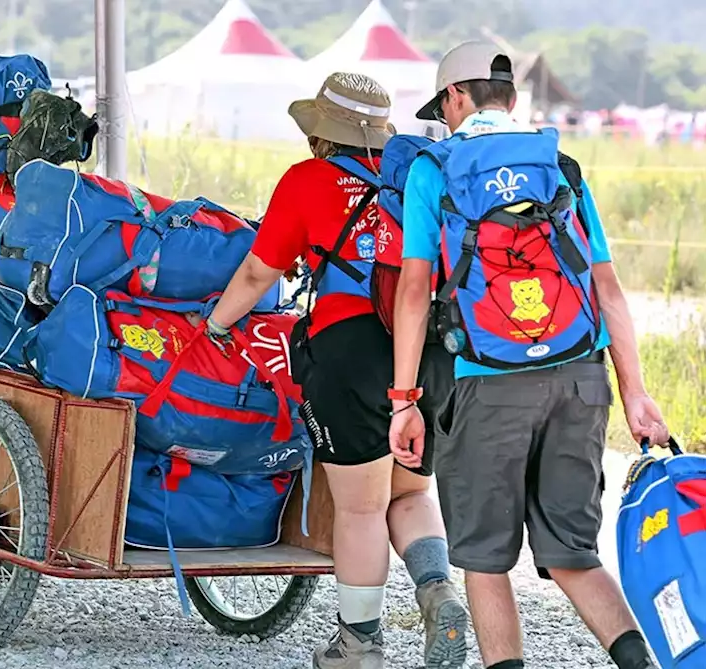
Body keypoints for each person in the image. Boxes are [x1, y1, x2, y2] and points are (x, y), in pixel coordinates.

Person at [389, 41, 668, 669]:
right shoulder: (560, 166)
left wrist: (404, 400)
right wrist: (636, 393)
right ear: (510, 98)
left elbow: (413, 290)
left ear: (456, 96)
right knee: (573, 553)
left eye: (445, 104)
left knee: (484, 561)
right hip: (579, 378)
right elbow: (607, 287)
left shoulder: (433, 168)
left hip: (487, 381)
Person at [205, 72, 467, 669]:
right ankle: (436, 592)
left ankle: (360, 645)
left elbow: (256, 274)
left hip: (350, 351)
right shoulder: (420, 177)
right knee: (410, 490)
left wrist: (217, 326)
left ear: (323, 133)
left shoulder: (307, 181)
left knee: (359, 507)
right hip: (427, 349)